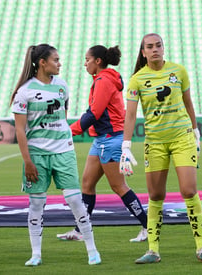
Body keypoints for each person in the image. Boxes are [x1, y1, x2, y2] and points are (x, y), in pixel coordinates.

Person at [120, 33, 202, 264]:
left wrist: (195, 131)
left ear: (164, 48)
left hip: (182, 138)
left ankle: (201, 248)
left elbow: (188, 102)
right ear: (143, 52)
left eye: (158, 45)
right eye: (150, 47)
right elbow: (131, 114)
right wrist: (125, 146)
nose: (155, 49)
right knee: (155, 195)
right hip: (154, 142)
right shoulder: (137, 79)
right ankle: (153, 250)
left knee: (188, 190)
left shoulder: (179, 71)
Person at [10, 44, 101, 266]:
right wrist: (28, 161)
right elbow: (20, 130)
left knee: (75, 201)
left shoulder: (62, 86)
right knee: (36, 204)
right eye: (56, 60)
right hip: (37, 155)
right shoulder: (25, 91)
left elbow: (63, 117)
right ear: (42, 63)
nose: (60, 64)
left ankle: (92, 251)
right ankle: (36, 255)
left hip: (63, 151)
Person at [56, 45, 148, 243]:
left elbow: (94, 113)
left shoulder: (104, 80)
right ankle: (80, 230)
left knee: (119, 186)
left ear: (98, 61)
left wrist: (68, 131)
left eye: (87, 59)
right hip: (101, 140)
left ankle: (148, 227)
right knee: (87, 185)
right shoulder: (102, 79)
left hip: (110, 139)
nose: (85, 63)